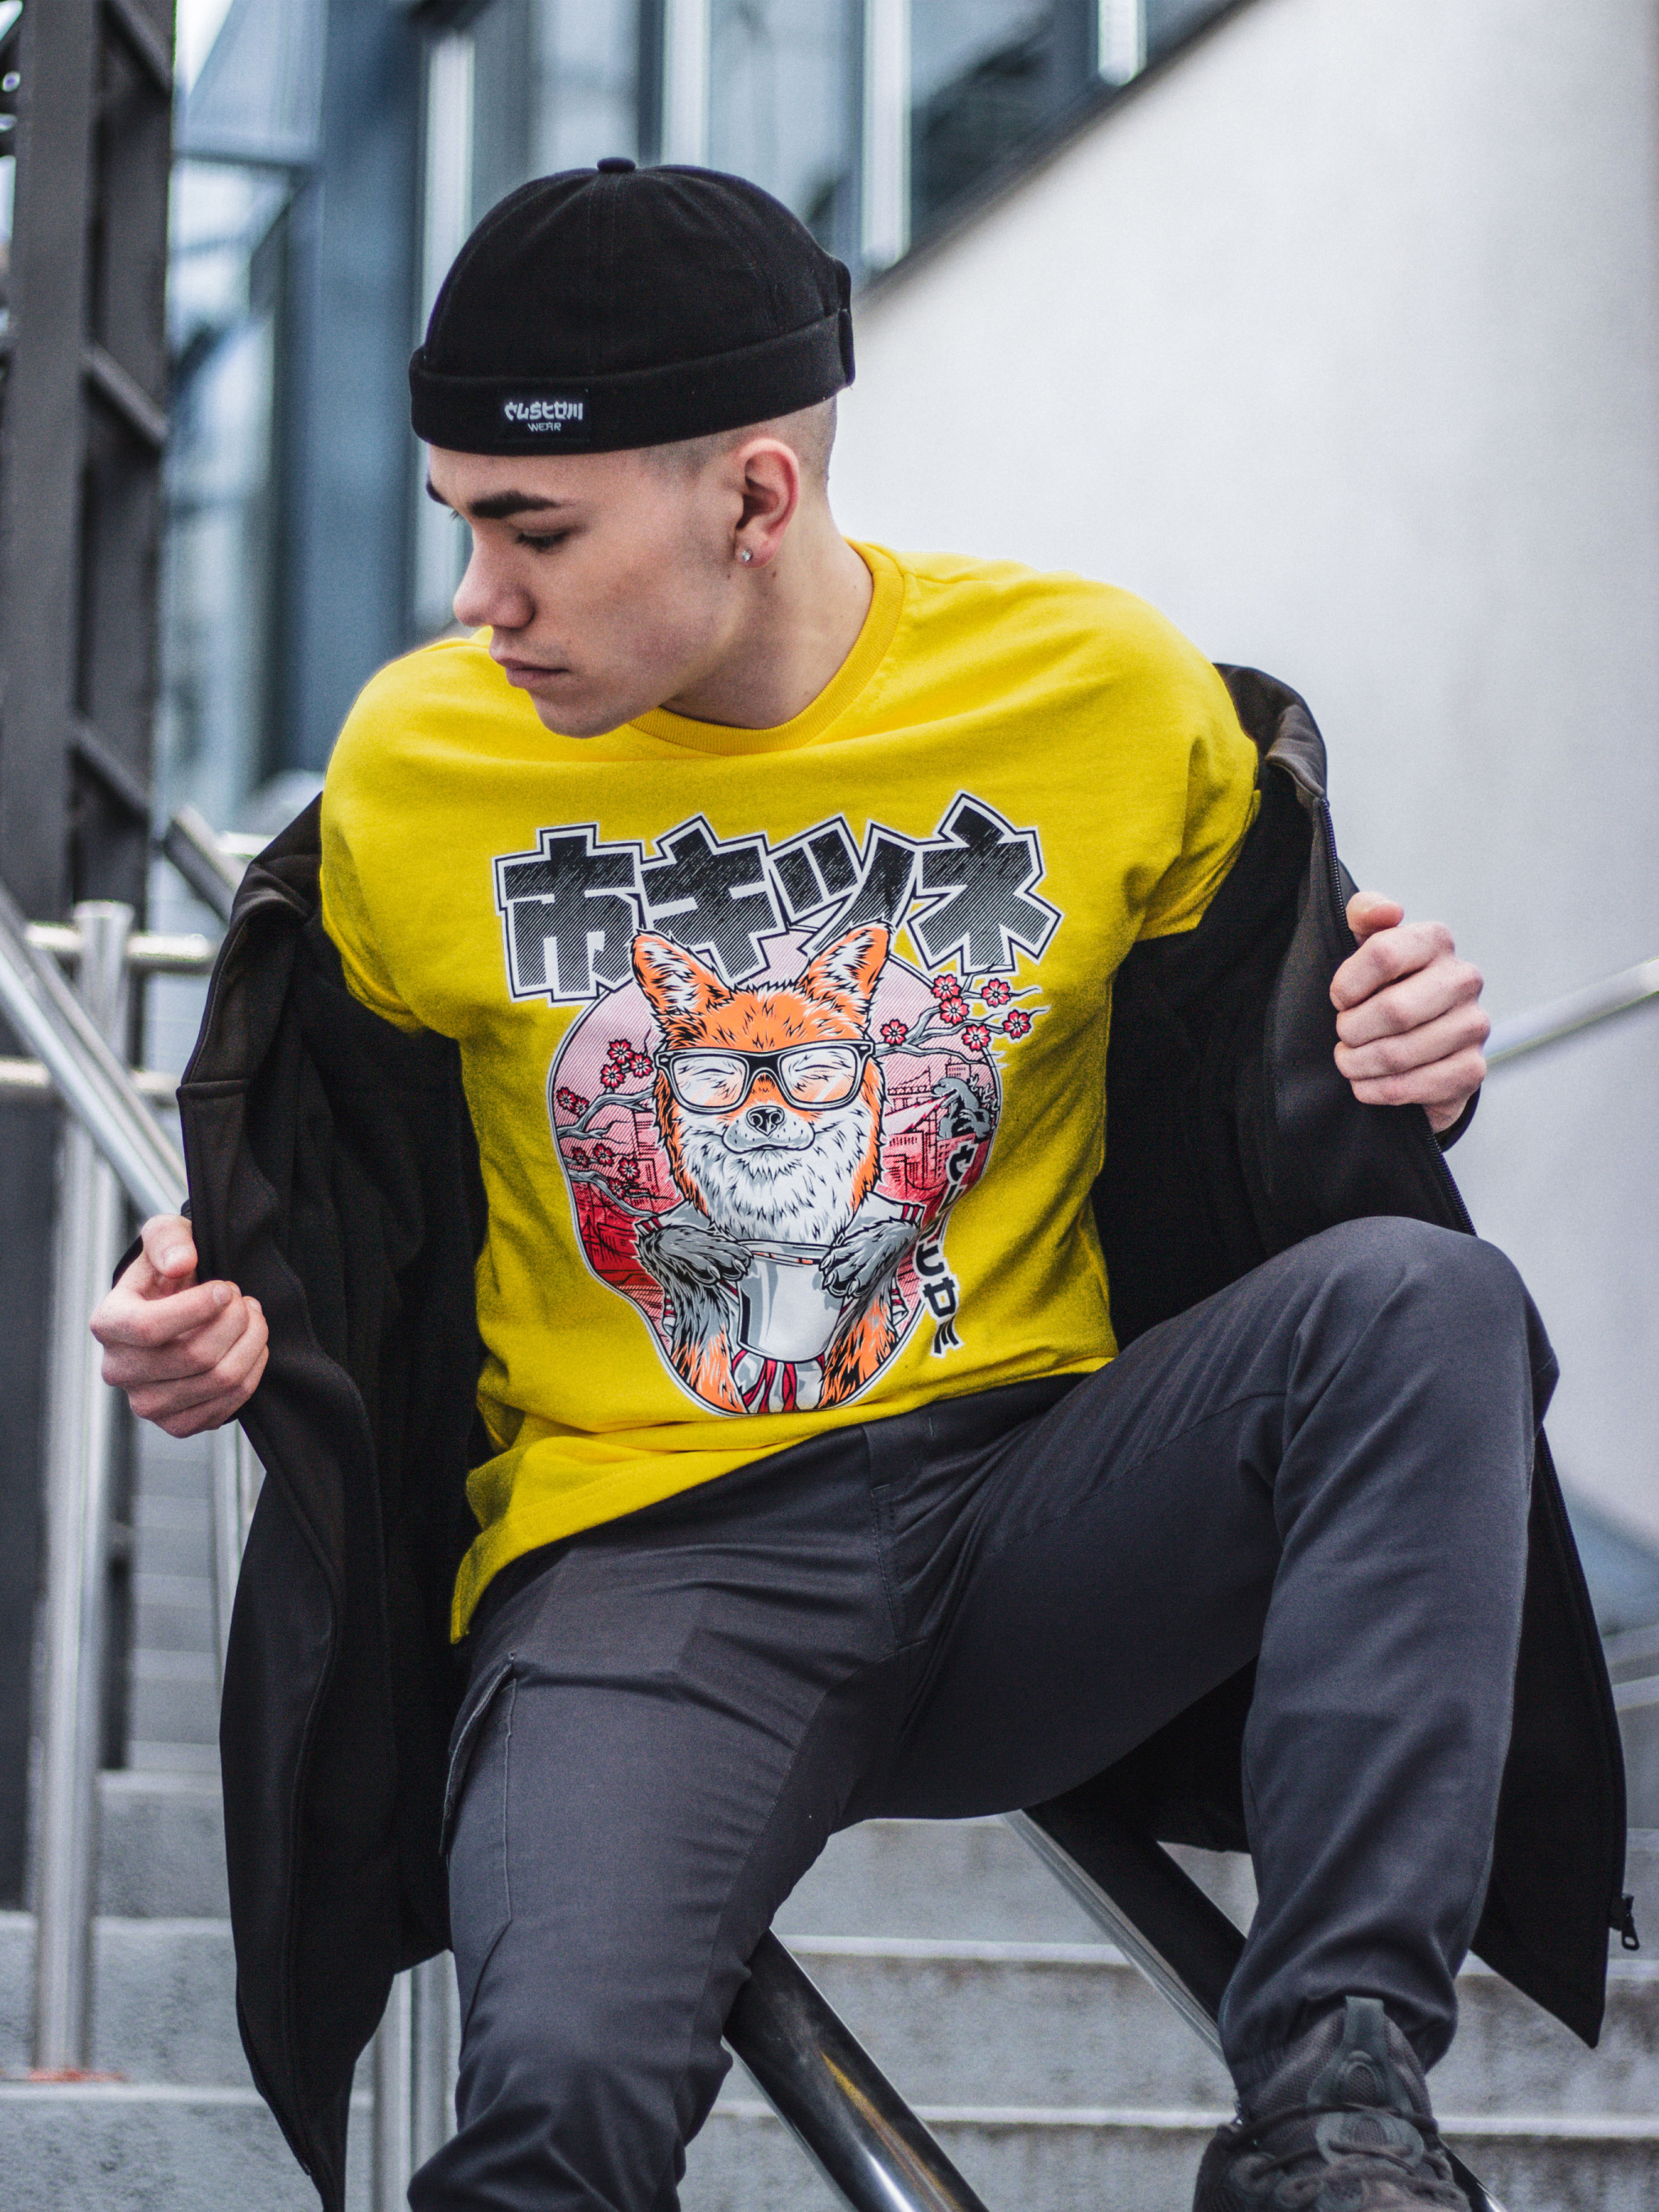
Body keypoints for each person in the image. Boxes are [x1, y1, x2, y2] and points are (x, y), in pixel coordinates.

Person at [91, 165, 1624, 2212]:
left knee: (1423, 1305)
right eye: (459, 522)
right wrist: (219, 1307)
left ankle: (1334, 2117)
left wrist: (1396, 1043)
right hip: (647, 1565)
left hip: (1040, 1514)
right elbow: (336, 1178)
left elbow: (1260, 1084)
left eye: (534, 532)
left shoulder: (1099, 694)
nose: (476, 599)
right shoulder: (412, 771)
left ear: (754, 496)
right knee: (553, 2100)